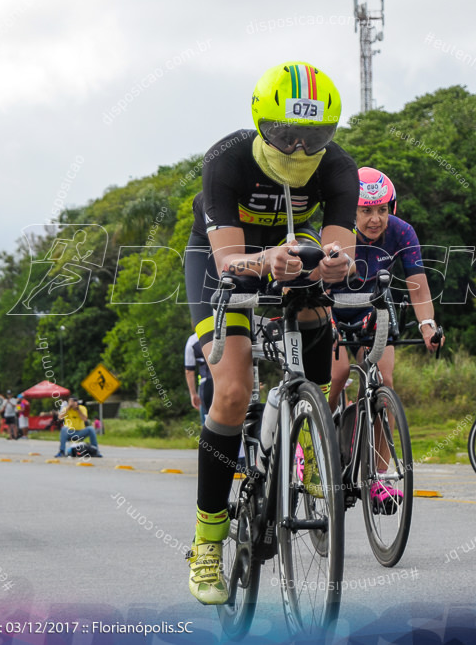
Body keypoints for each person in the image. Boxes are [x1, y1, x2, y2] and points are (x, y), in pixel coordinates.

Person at [182, 62, 357, 605]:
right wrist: (268, 260)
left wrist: (332, 264)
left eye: (316, 137)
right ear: (261, 124)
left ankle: (298, 443)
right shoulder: (226, 159)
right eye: (286, 135)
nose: (301, 150)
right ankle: (208, 544)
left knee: (319, 358)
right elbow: (231, 259)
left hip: (290, 252)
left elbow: (340, 249)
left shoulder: (339, 166)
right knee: (233, 392)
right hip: (223, 262)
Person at [327, 167, 442, 508]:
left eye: (382, 209)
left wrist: (428, 326)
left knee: (385, 381)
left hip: (374, 305)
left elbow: (418, 288)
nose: (375, 219)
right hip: (332, 305)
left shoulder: (402, 232)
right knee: (337, 374)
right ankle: (312, 443)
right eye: (366, 210)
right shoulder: (337, 230)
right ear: (353, 211)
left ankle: (378, 478)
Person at [184, 331, 213, 425]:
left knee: (208, 424)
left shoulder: (192, 340)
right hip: (227, 380)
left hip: (207, 384)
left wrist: (193, 394)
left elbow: (189, 371)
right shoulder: (224, 331)